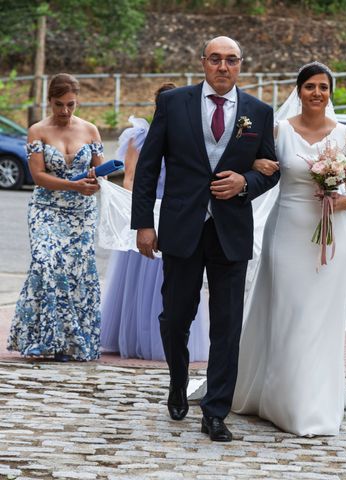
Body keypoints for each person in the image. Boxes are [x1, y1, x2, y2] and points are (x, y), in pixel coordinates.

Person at [131, 36, 279, 442]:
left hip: (230, 232)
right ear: (203, 63)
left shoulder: (259, 112)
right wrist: (144, 223)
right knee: (176, 316)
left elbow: (271, 169)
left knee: (227, 326)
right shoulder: (174, 103)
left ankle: (215, 411)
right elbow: (148, 168)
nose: (223, 67)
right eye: (216, 59)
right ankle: (178, 380)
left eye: (231, 60)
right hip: (181, 227)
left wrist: (245, 181)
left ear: (240, 65)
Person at [231, 61, 346, 436]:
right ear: (299, 90)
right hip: (287, 231)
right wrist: (254, 163)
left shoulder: (344, 135)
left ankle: (314, 398)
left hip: (332, 235)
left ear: (330, 93)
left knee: (320, 316)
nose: (317, 93)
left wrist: (343, 200)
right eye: (310, 86)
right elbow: (262, 170)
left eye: (324, 87)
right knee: (289, 311)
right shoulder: (280, 131)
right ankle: (279, 397)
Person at [100, 83, 210, 361]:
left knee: (177, 281)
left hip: (179, 213)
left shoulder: (192, 137)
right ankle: (139, 336)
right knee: (139, 280)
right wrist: (133, 215)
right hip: (149, 211)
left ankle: (172, 343)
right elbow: (131, 177)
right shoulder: (139, 136)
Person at [7, 73, 104, 362]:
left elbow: (101, 172)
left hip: (82, 213)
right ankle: (43, 339)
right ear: (49, 101)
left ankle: (74, 342)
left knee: (76, 272)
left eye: (71, 104)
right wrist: (72, 184)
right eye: (59, 104)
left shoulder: (90, 130)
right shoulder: (38, 131)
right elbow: (38, 176)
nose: (65, 111)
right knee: (47, 263)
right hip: (46, 209)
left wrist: (94, 180)